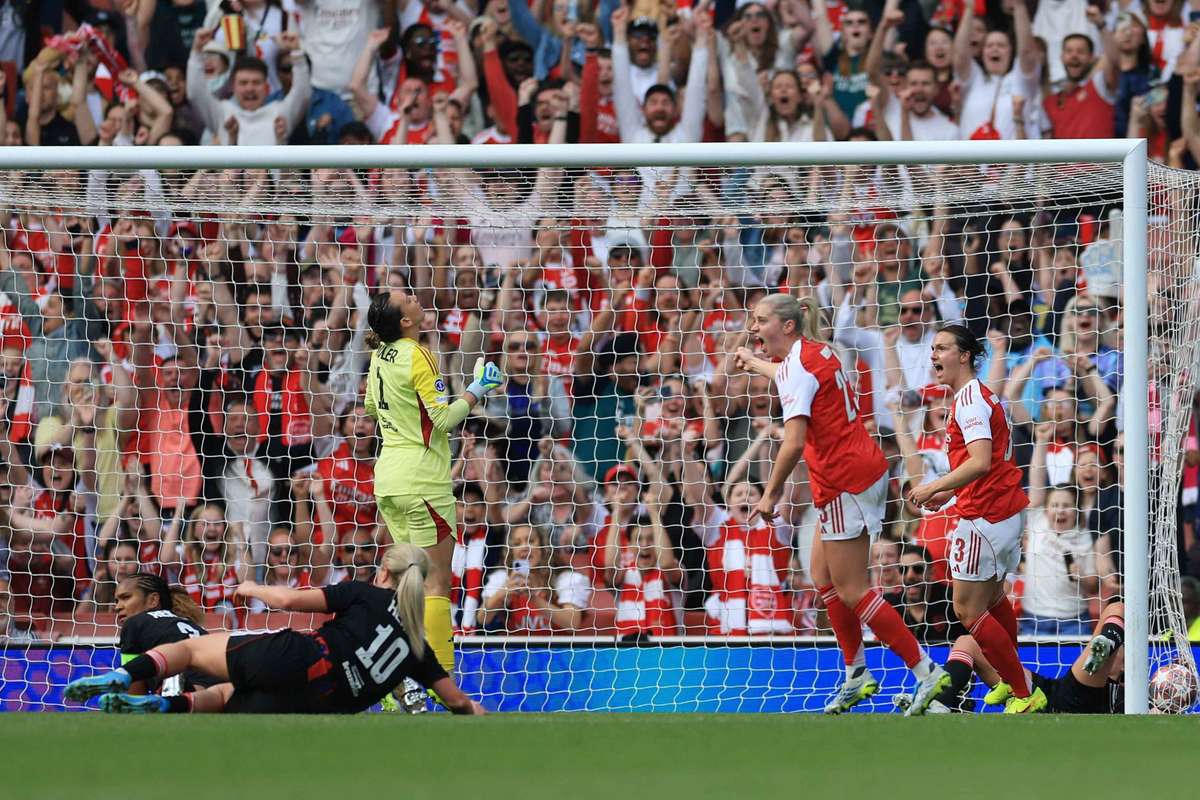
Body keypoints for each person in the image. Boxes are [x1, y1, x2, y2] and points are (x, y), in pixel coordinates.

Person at [737, 293, 946, 714]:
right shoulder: (816, 353)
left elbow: (794, 440)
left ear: (788, 326)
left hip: (843, 482)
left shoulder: (799, 366)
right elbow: (791, 376)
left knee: (852, 589)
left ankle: (927, 672)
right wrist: (756, 363)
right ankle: (856, 673)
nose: (754, 327)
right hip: (859, 471)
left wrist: (773, 493)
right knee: (822, 577)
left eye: (760, 320)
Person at [64, 544, 485, 715]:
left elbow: (287, 601)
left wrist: (250, 586)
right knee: (227, 697)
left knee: (193, 652)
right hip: (319, 704)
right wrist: (478, 717)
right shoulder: (418, 645)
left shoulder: (365, 594)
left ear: (384, 572)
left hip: (301, 656)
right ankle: (162, 708)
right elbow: (459, 700)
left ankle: (124, 677)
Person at [363, 290, 504, 683]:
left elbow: (373, 409)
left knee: (404, 584)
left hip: (388, 479)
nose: (414, 297)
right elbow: (443, 421)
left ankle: (394, 687)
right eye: (406, 298)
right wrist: (477, 389)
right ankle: (443, 687)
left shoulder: (378, 358)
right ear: (404, 321)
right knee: (436, 582)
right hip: (422, 480)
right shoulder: (417, 353)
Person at [908, 324, 1044, 714]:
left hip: (986, 517)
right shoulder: (978, 396)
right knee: (996, 599)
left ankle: (1022, 691)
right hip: (1000, 512)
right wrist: (950, 493)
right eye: (932, 348)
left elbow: (981, 460)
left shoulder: (969, 400)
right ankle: (1009, 678)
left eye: (943, 348)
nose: (934, 355)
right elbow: (984, 464)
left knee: (967, 610)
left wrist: (933, 487)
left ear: (965, 355)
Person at [924, 603, 1128, 714]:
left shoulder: (1141, 693)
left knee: (1119, 609)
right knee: (967, 642)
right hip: (1055, 692)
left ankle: (1106, 643)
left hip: (1085, 696)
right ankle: (939, 706)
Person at [113, 572, 215, 697]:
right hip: (220, 690)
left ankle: (175, 691)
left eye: (126, 597)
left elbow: (134, 694)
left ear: (153, 600)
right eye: (116, 601)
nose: (117, 607)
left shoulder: (135, 623)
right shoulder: (190, 624)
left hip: (188, 693)